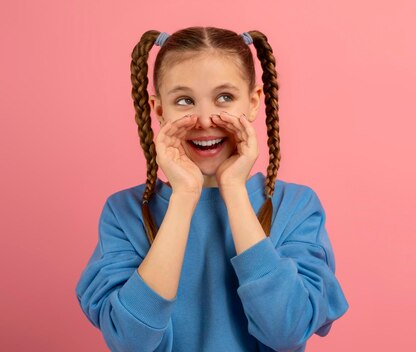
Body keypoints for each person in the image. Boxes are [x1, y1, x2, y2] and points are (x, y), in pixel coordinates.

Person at [75, 26, 349, 352]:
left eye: (224, 98)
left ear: (253, 102)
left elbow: (286, 332)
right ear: (159, 110)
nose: (205, 119)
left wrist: (233, 189)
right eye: (184, 100)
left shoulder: (297, 206)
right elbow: (131, 341)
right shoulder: (124, 212)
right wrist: (184, 196)